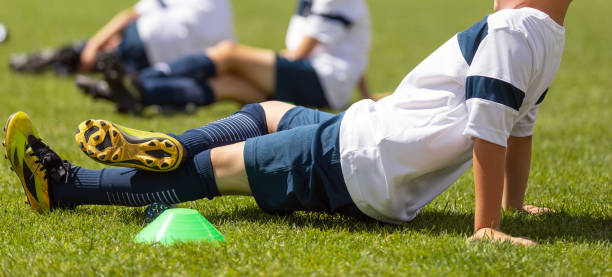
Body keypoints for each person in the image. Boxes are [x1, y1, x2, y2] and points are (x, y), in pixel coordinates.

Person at [3, 0, 571, 246]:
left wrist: (487, 225)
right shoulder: (545, 37)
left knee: (212, 169)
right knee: (265, 113)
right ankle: (170, 146)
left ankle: (65, 187)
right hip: (361, 134)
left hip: (357, 165)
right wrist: (514, 205)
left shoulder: (512, 32)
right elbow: (520, 128)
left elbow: (492, 130)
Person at [87, 0, 371, 113]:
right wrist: (366, 95)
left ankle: (142, 78)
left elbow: (299, 54)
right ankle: (138, 94)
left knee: (229, 54)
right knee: (227, 84)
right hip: (324, 85)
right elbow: (351, 54)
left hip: (319, 82)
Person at [9, 0, 235, 75]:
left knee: (91, 55)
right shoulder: (225, 14)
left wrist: (94, 44)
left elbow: (130, 15)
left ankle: (62, 58)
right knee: (100, 61)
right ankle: (62, 62)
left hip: (145, 40)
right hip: (160, 64)